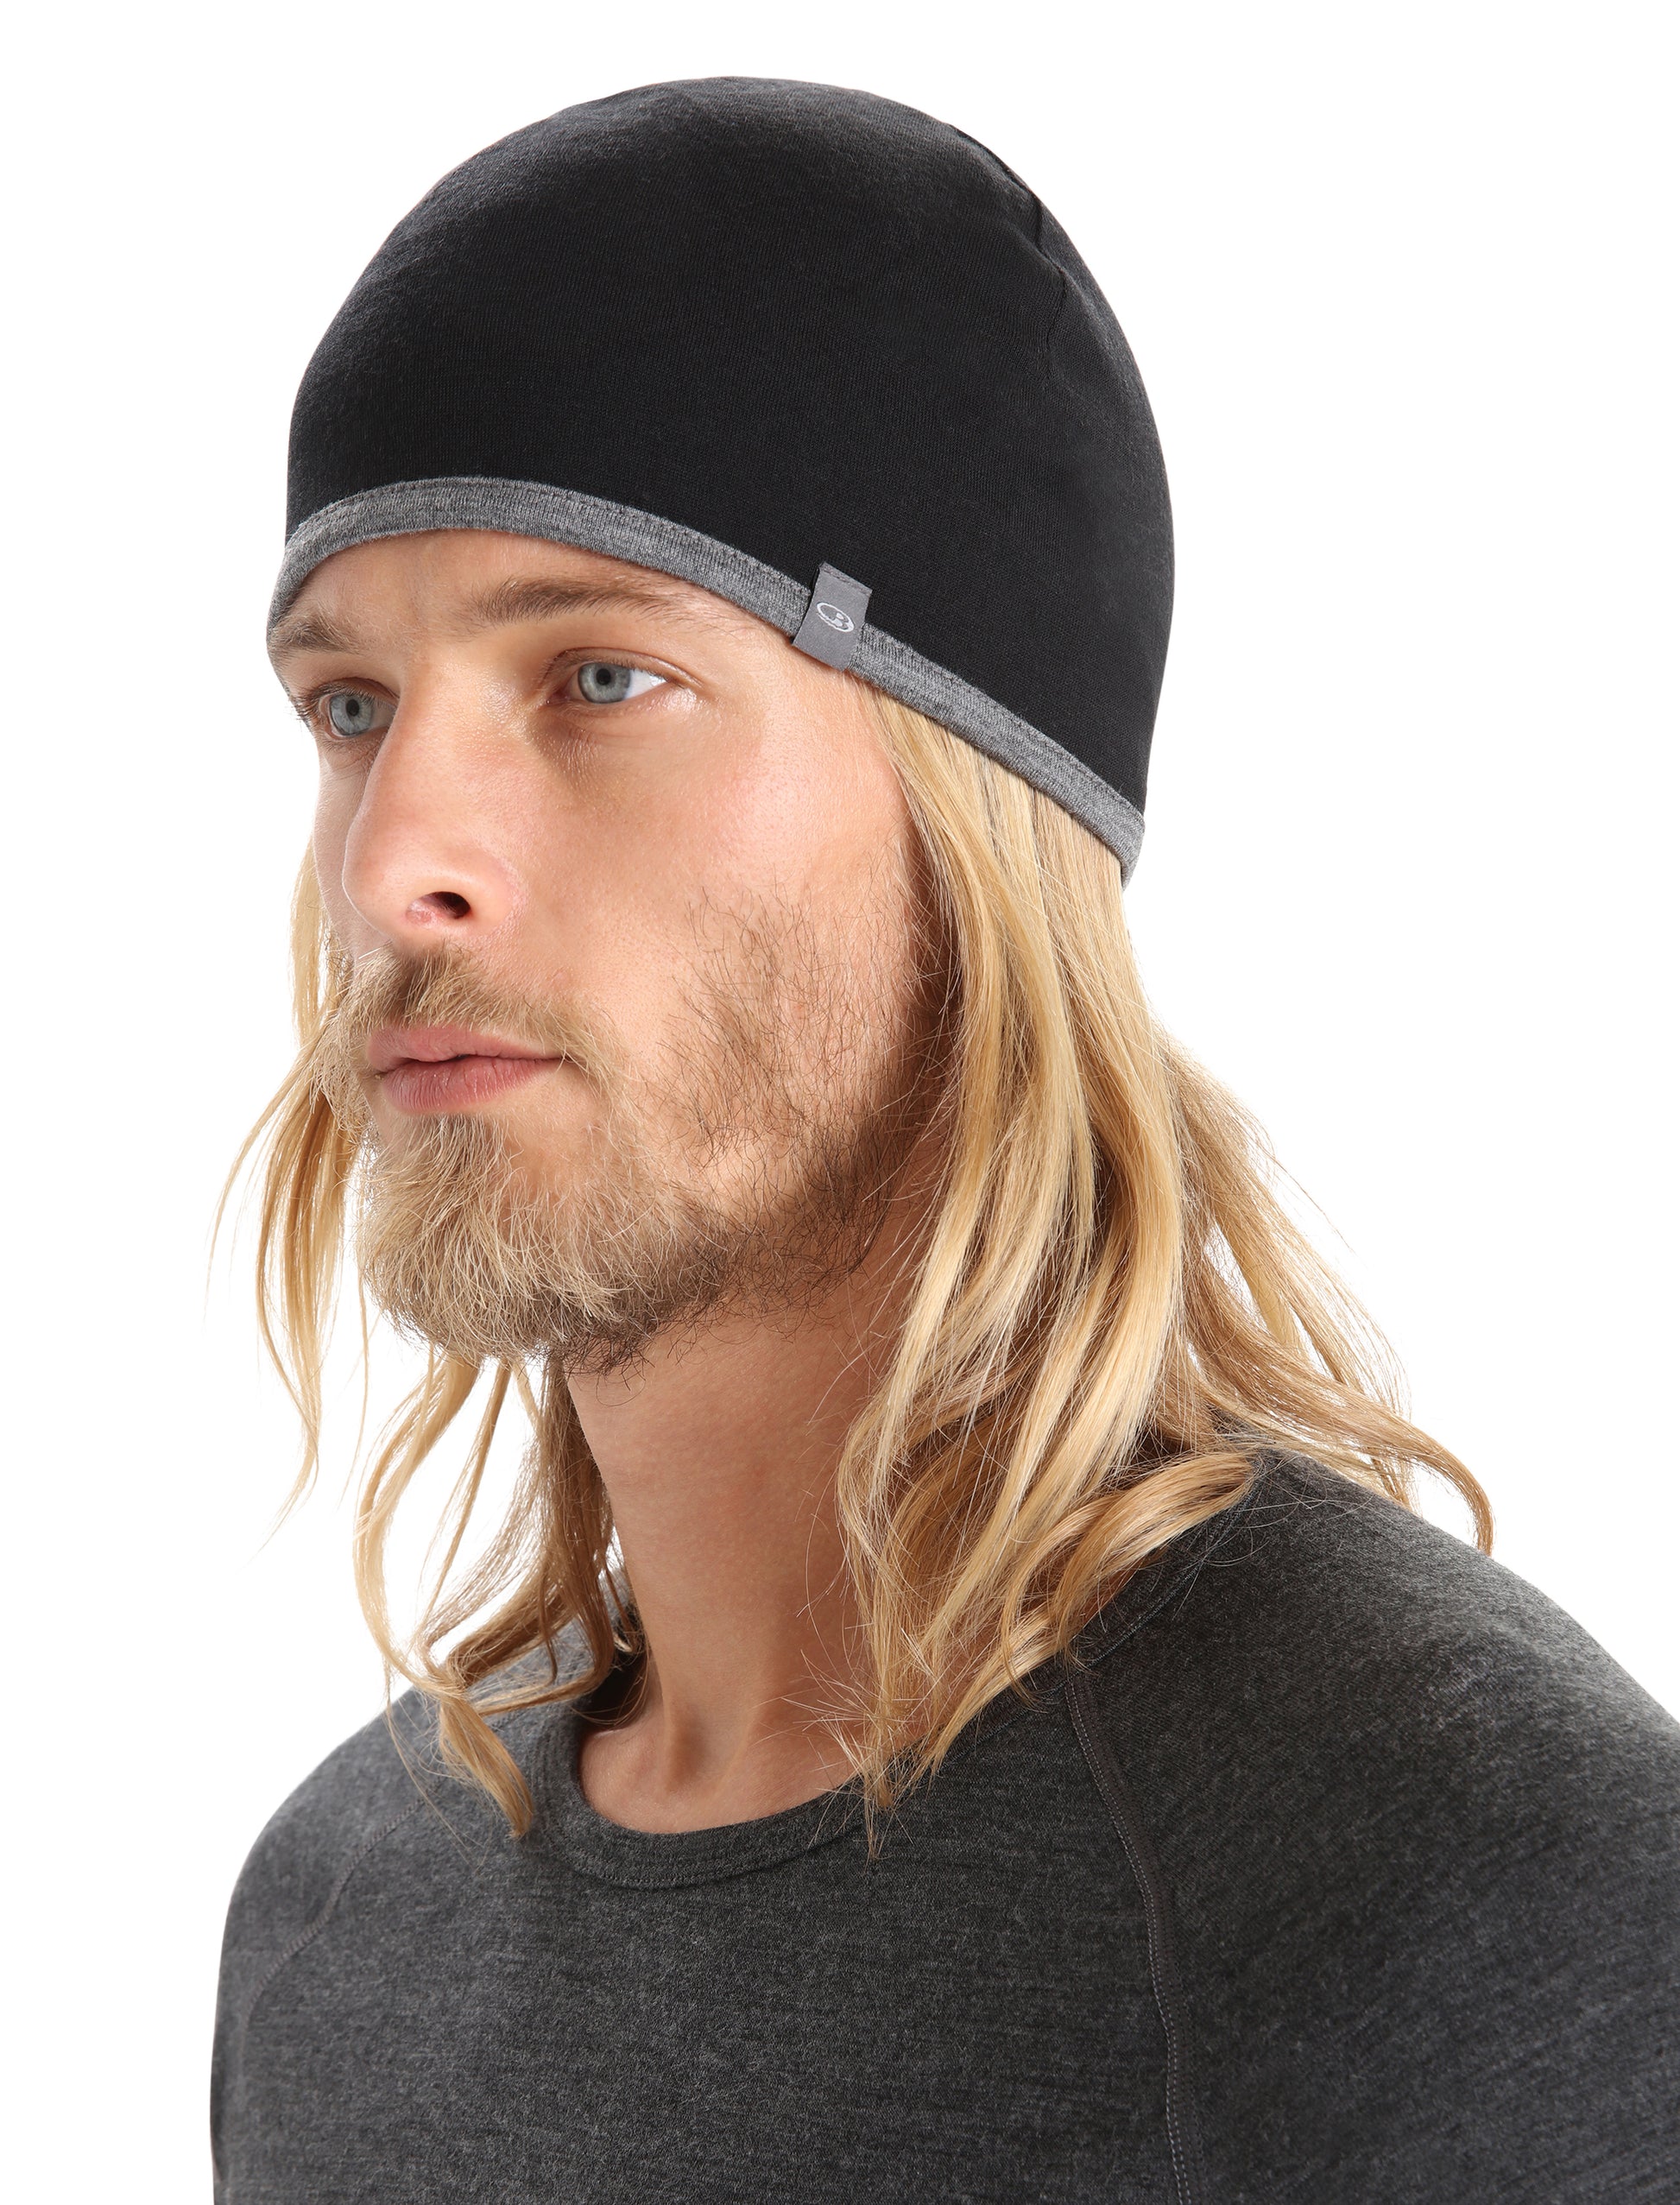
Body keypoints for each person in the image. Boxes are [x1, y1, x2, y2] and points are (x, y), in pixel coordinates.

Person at [212, 79, 1679, 2205]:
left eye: (599, 677)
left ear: (979, 802)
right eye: (349, 706)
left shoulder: (1454, 1887)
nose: (391, 863)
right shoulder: (342, 1927)